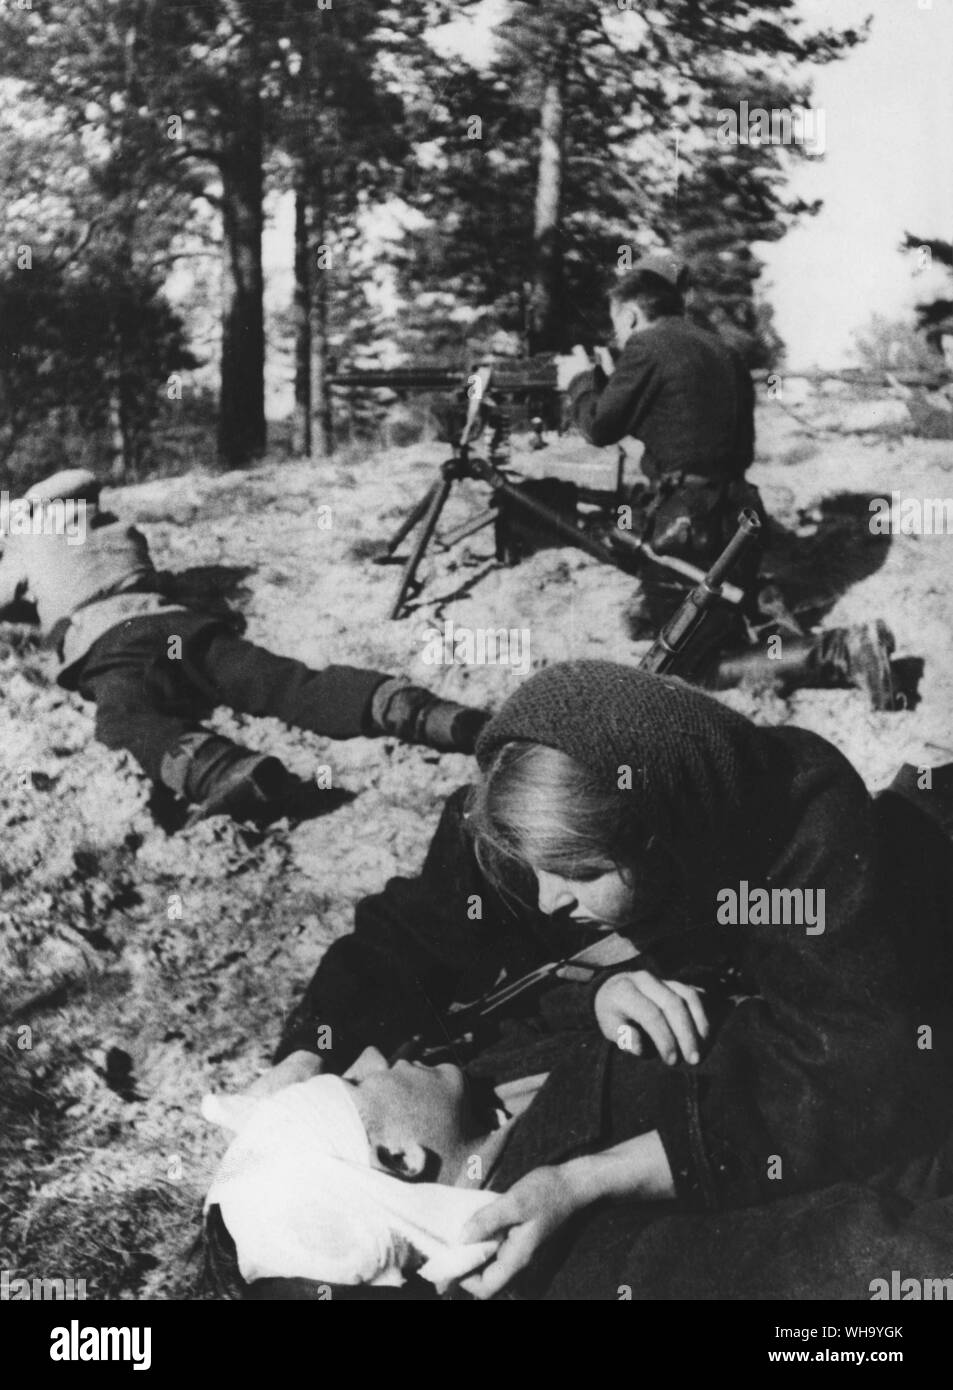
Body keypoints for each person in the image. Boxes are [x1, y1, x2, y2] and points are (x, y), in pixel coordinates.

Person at [264, 660, 953, 1295]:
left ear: (663, 842)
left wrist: (589, 1179)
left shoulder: (799, 839)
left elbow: (849, 1075)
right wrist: (308, 1049)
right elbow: (406, 940)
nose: (544, 901)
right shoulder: (523, 833)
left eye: (581, 875)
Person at [0, 469, 488, 824]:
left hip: (111, 645)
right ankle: (418, 711)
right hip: (180, 626)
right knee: (287, 683)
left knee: (126, 721)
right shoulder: (119, 530)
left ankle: (225, 769)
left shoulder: (29, 542)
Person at [558, 253, 899, 709]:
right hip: (737, 512)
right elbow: (686, 426)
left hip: (688, 523)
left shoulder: (646, 347)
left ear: (632, 313)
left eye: (618, 326)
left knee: (683, 667)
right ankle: (760, 607)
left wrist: (579, 380)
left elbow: (600, 428)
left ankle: (841, 651)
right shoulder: (722, 350)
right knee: (675, 614)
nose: (620, 337)